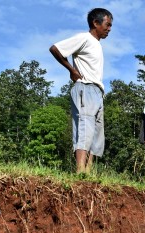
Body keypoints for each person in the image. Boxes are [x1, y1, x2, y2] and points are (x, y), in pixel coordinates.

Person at [49, 8, 113, 174]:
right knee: (85, 128)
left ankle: (88, 173)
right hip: (85, 88)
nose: (109, 29)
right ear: (95, 23)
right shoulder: (84, 38)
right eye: (107, 24)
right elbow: (55, 48)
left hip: (98, 91)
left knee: (96, 135)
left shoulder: (97, 45)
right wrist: (71, 70)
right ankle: (80, 172)